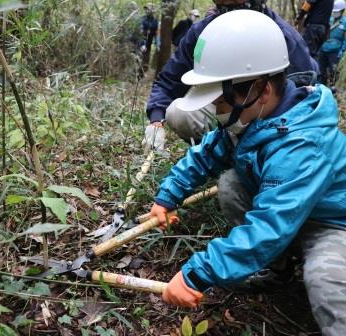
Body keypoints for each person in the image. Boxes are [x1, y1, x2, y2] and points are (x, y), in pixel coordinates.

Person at [150, 10, 346, 335]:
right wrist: (167, 196)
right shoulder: (250, 119)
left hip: (332, 224)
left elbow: (269, 226)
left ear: (262, 89)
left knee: (325, 279)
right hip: (289, 214)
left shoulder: (302, 144)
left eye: (222, 100)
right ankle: (279, 269)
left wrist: (198, 273)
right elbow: (205, 155)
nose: (216, 110)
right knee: (231, 184)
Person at [143, 0, 319, 152]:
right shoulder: (202, 32)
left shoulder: (281, 35)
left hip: (268, 116)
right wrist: (156, 120)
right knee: (179, 113)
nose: (229, 7)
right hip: (222, 108)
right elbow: (169, 80)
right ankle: (215, 151)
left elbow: (304, 92)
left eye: (237, 4)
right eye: (223, 4)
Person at [318, 0, 346, 85]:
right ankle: (322, 86)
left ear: (342, 11)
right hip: (324, 49)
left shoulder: (344, 22)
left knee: (333, 71)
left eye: (336, 12)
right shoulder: (329, 19)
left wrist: (342, 50)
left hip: (335, 51)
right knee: (321, 71)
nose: (335, 13)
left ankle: (333, 87)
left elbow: (345, 39)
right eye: (334, 11)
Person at [140, 3, 159, 76]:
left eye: (148, 9)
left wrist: (157, 44)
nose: (147, 10)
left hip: (148, 45)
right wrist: (142, 44)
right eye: (146, 9)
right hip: (140, 44)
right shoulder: (142, 19)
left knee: (145, 62)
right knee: (138, 60)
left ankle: (141, 77)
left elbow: (156, 34)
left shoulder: (155, 21)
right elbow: (139, 32)